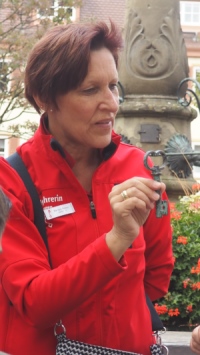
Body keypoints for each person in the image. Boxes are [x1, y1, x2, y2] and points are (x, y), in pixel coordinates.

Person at [0, 21, 174, 355]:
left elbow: (156, 276)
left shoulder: (139, 168)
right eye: (90, 90)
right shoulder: (9, 181)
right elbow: (33, 301)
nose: (111, 104)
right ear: (45, 98)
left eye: (113, 86)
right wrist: (116, 241)